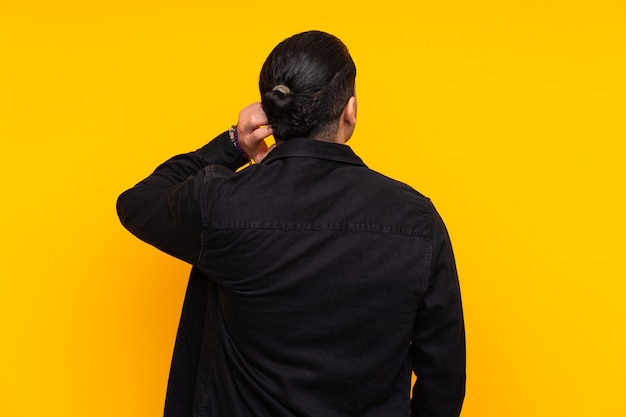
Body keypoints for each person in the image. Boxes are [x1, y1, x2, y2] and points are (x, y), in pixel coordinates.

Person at [117, 30, 465, 417]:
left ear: (272, 112)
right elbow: (444, 379)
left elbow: (137, 203)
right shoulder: (418, 222)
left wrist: (234, 142)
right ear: (349, 110)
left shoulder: (222, 203)